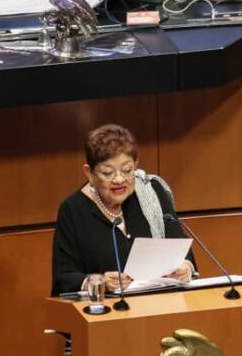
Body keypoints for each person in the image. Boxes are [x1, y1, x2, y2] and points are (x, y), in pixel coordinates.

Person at [51, 124, 196, 297]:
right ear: (89, 173)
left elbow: (180, 249)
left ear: (136, 164)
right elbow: (64, 278)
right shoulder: (73, 210)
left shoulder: (153, 192)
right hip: (103, 312)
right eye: (107, 173)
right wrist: (100, 282)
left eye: (127, 170)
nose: (119, 179)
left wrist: (185, 268)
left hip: (159, 306)